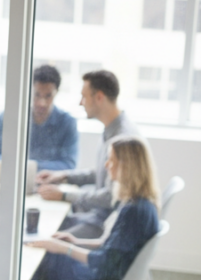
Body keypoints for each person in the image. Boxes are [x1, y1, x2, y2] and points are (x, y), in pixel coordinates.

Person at [20, 135, 160, 280]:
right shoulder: (141, 203)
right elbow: (112, 247)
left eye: (112, 160)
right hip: (114, 274)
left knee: (41, 270)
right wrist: (73, 241)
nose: (107, 166)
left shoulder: (134, 211)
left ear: (128, 166)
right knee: (46, 261)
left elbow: (104, 261)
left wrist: (63, 248)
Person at [36, 70, 141, 238]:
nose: (80, 103)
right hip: (98, 216)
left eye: (84, 97)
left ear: (99, 97)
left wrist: (64, 195)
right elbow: (101, 173)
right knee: (45, 228)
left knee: (45, 243)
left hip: (106, 224)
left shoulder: (122, 139)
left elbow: (111, 196)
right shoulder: (111, 130)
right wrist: (64, 176)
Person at [0, 64, 79, 171]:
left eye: (48, 96)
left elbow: (69, 164)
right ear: (29, 91)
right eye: (37, 94)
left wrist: (27, 166)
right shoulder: (9, 117)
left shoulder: (67, 122)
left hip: (48, 185)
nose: (41, 103)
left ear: (56, 93)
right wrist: (23, 166)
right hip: (11, 180)